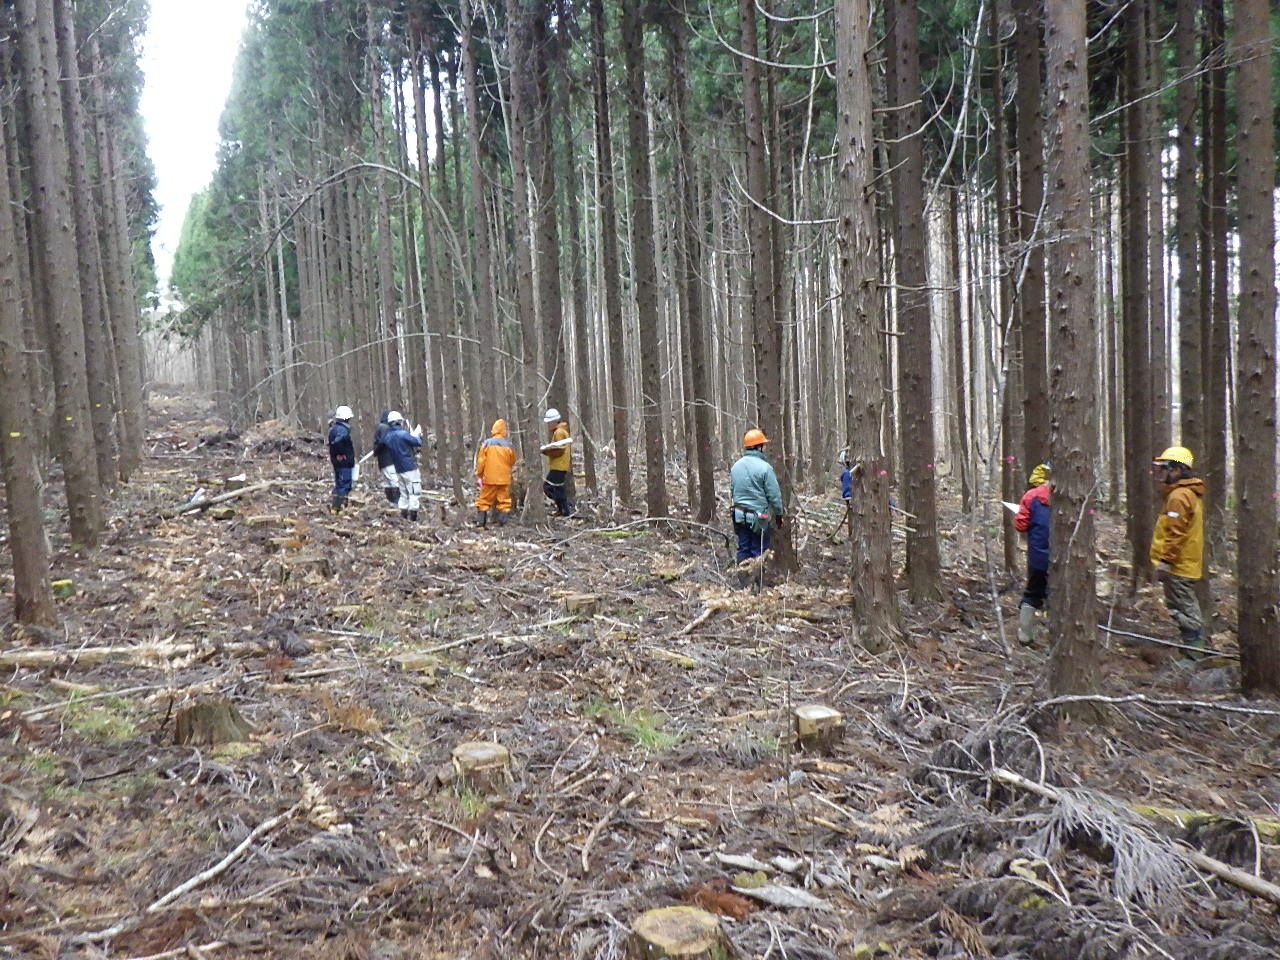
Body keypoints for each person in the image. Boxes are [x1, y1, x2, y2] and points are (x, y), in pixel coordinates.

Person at [1150, 446, 1206, 654]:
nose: (1160, 473)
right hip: (1182, 563)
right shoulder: (1184, 494)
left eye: (1164, 468)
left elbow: (1176, 533)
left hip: (1179, 566)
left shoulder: (1179, 496)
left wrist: (1166, 561)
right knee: (1180, 607)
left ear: (1177, 470)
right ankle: (1190, 649)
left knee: (1184, 609)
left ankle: (1193, 654)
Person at [730, 428, 785, 587]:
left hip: (739, 515)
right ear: (759, 446)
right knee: (758, 550)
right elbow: (774, 495)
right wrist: (779, 515)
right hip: (758, 519)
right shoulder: (765, 468)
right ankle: (756, 586)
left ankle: (743, 584)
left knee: (743, 548)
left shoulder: (735, 467)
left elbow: (733, 491)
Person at [1013, 468, 1051, 645]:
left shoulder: (1031, 496)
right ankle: (1055, 638)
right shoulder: (1072, 497)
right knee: (1058, 594)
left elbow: (1020, 525)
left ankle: (1024, 635)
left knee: (1033, 592)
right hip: (1065, 560)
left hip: (1038, 558)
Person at [475, 418, 517, 527]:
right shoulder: (508, 445)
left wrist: (479, 474)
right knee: (504, 502)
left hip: (489, 478)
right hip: (504, 479)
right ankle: (502, 524)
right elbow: (512, 461)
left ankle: (481, 523)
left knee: (484, 500)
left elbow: (481, 462)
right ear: (504, 431)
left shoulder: (487, 444)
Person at [383, 411, 423, 521]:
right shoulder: (403, 434)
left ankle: (403, 516)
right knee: (414, 492)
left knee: (404, 493)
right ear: (398, 422)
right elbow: (417, 442)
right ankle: (413, 518)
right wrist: (419, 435)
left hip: (398, 468)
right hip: (409, 467)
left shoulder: (388, 437)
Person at [540, 408, 573, 517]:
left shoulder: (559, 432)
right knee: (558, 489)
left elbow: (558, 450)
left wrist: (544, 451)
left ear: (554, 421)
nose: (548, 425)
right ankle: (562, 510)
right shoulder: (561, 431)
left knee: (548, 487)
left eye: (549, 423)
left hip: (558, 466)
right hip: (560, 466)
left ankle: (565, 508)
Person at [327, 405, 356, 514]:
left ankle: (336, 507)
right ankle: (338, 509)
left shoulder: (334, 428)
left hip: (338, 463)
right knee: (344, 484)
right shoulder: (342, 430)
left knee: (339, 484)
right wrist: (341, 453)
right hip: (344, 463)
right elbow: (338, 441)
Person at [371, 409, 400, 504]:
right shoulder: (384, 428)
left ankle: (391, 502)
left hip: (385, 460)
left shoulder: (382, 427)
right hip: (388, 460)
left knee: (389, 482)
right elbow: (384, 442)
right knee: (394, 481)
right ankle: (396, 503)